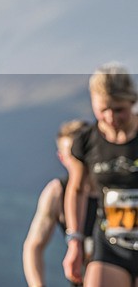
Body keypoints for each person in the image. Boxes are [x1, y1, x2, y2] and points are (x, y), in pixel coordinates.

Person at [63, 63, 138, 286]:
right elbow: (76, 190)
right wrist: (74, 242)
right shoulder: (87, 142)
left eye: (118, 109)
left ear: (132, 102)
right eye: (103, 109)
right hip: (111, 243)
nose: (110, 117)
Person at [23, 119, 97, 287]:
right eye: (72, 155)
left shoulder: (115, 188)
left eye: (82, 154)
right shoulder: (57, 193)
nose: (79, 162)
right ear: (62, 158)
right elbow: (33, 246)